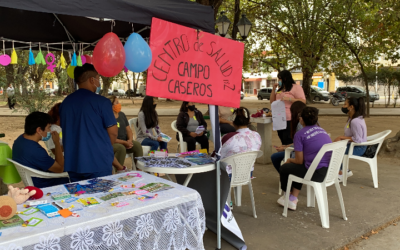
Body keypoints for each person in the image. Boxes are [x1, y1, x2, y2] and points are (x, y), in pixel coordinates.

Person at [60, 64, 117, 182]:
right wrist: (103, 149)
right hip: (98, 162)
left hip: (73, 162)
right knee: (102, 197)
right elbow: (113, 133)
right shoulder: (102, 102)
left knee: (80, 198)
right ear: (92, 80)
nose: (99, 82)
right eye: (98, 78)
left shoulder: (65, 103)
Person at [278, 107, 332, 210]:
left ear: (301, 119)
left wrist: (289, 160)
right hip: (328, 171)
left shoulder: (300, 134)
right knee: (298, 168)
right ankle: (293, 198)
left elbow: (299, 161)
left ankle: (287, 196)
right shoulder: (322, 130)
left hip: (315, 172)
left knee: (285, 168)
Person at [12, 112, 69, 188]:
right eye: (49, 127)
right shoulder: (36, 151)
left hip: (33, 178)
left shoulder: (20, 140)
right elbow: (60, 169)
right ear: (39, 130)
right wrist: (57, 143)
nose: (50, 131)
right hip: (45, 184)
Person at [220, 107, 262, 177]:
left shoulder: (228, 138)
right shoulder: (257, 135)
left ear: (233, 122)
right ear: (249, 120)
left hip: (229, 175)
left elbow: (218, 157)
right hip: (248, 173)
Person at [334, 97, 367, 181]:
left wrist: (341, 138)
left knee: (335, 151)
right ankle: (343, 170)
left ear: (351, 107)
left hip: (358, 148)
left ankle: (342, 172)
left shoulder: (355, 121)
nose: (343, 106)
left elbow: (358, 139)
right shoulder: (352, 118)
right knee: (334, 148)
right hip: (353, 145)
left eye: (345, 104)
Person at [270, 70, 306, 145]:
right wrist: (273, 90)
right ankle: (285, 154)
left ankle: (290, 155)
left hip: (290, 118)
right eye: (278, 79)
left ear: (285, 78)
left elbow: (303, 101)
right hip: (279, 118)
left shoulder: (296, 88)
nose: (279, 81)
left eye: (280, 78)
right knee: (282, 137)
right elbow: (272, 102)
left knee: (288, 138)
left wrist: (289, 99)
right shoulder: (281, 89)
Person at [271, 101, 307, 173]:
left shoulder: (300, 125)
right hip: (307, 153)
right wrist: (286, 146)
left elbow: (300, 145)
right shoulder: (315, 124)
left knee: (275, 157)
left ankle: (287, 177)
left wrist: (285, 148)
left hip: (302, 154)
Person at [107, 96, 143, 167]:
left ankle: (139, 169)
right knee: (121, 148)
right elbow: (109, 137)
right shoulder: (107, 117)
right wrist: (124, 142)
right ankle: (118, 171)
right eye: (116, 102)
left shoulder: (122, 114)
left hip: (125, 141)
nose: (119, 104)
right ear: (111, 105)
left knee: (137, 145)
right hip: (113, 143)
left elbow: (129, 130)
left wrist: (129, 140)